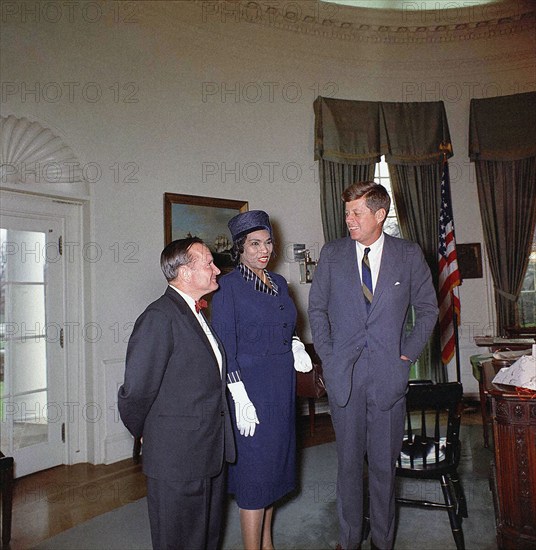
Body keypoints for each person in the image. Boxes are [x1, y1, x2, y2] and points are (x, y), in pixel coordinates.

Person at [308, 182, 438, 550]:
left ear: (380, 215)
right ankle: (349, 541)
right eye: (347, 212)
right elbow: (316, 309)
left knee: (383, 470)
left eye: (356, 212)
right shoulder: (332, 254)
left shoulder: (409, 255)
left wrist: (406, 356)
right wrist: (330, 357)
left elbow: (428, 310)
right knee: (348, 468)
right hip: (344, 378)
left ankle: (383, 542)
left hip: (388, 378)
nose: (348, 219)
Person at [117, 237, 235, 550]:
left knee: (206, 538)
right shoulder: (159, 317)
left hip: (208, 451)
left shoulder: (196, 314)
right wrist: (146, 432)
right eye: (208, 263)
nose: (216, 271)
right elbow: (135, 392)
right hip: (177, 457)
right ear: (183, 273)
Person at [211, 210, 312, 550]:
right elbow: (225, 347)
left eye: (267, 242)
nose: (263, 250)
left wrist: (296, 343)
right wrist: (239, 396)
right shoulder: (227, 287)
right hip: (249, 391)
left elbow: (287, 323)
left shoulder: (279, 283)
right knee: (255, 477)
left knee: (273, 470)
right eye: (254, 244)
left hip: (280, 387)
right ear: (240, 248)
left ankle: (267, 544)